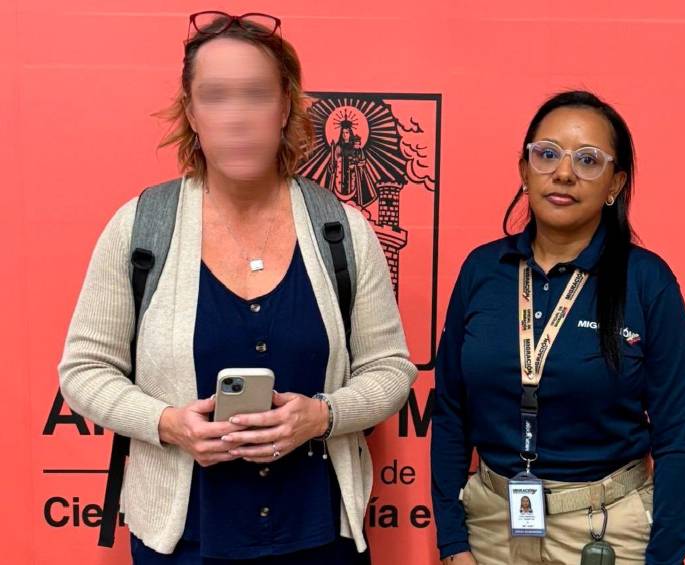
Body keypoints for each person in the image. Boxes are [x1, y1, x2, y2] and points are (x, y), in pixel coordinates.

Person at [58, 11, 416, 564]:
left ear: (286, 107)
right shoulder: (140, 228)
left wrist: (323, 416)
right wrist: (168, 424)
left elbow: (390, 369)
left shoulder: (342, 230)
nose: (238, 117)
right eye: (217, 96)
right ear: (192, 113)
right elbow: (84, 371)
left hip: (320, 538)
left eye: (255, 94)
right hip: (184, 541)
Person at [431, 90, 685, 564]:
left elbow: (676, 439)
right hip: (492, 526)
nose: (564, 172)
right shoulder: (482, 270)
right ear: (523, 168)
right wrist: (453, 543)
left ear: (615, 184)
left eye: (588, 160)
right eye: (547, 154)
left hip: (606, 529)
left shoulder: (647, 282)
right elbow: (451, 412)